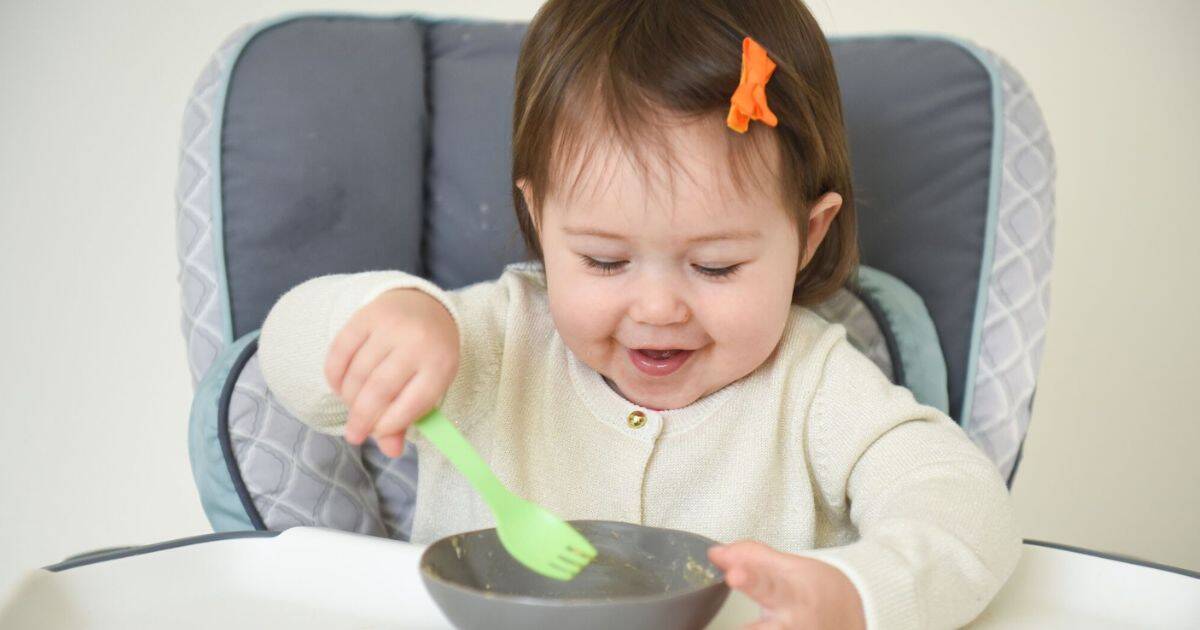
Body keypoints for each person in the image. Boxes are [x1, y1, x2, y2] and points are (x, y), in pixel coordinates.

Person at [258, 0, 1021, 627]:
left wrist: (859, 597)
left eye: (716, 266)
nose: (657, 308)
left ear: (807, 235)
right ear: (540, 219)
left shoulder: (815, 385)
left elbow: (967, 506)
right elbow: (286, 357)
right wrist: (389, 317)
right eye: (604, 261)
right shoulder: (490, 341)